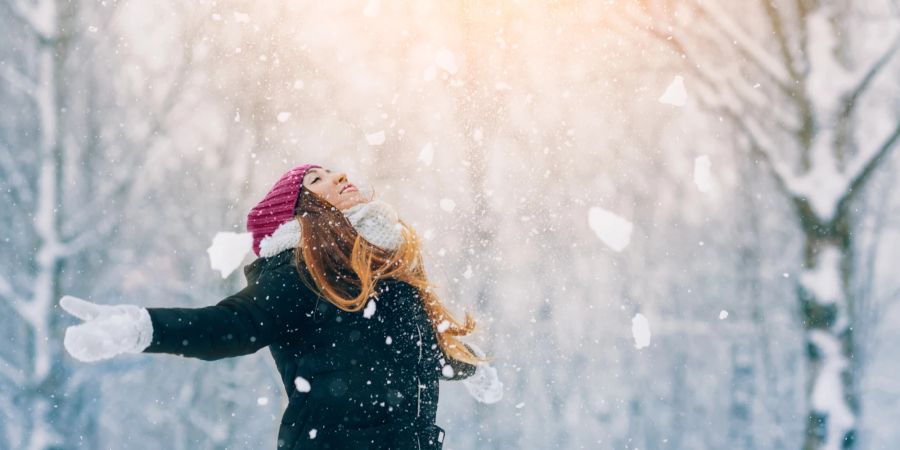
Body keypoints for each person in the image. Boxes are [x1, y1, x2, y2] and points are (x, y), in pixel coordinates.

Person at [60, 163, 500, 450]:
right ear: (302, 211)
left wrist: (470, 365)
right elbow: (231, 325)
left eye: (333, 170)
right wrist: (142, 328)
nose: (339, 175)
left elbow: (415, 350)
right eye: (318, 180)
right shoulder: (299, 270)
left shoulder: (384, 267)